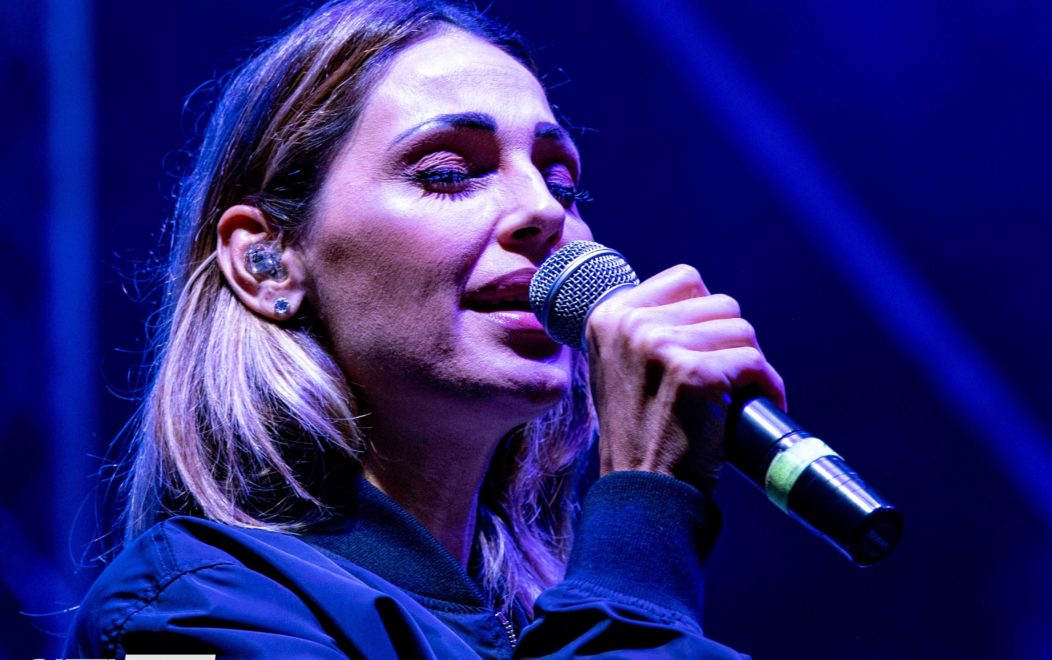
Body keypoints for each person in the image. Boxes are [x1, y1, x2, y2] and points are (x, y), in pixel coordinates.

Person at [66, 0, 785, 656]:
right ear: (268, 262)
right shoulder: (192, 612)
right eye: (447, 173)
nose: (545, 211)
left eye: (562, 183)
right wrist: (643, 507)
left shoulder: (551, 621)